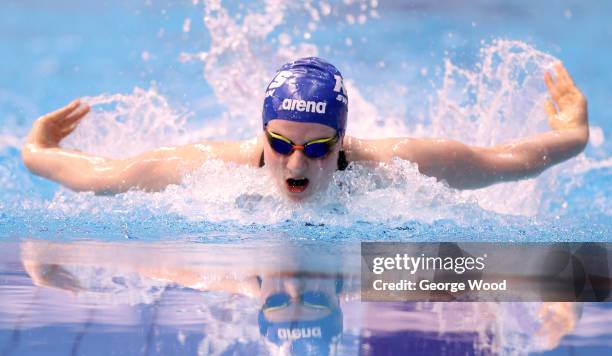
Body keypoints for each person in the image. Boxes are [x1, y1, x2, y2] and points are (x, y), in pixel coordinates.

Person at [21, 57, 589, 201]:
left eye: (318, 148)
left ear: (342, 141)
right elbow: (102, 176)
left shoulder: (399, 168)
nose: (296, 165)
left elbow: (505, 161)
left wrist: (573, 135)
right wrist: (36, 150)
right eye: (280, 144)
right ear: (261, 133)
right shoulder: (205, 170)